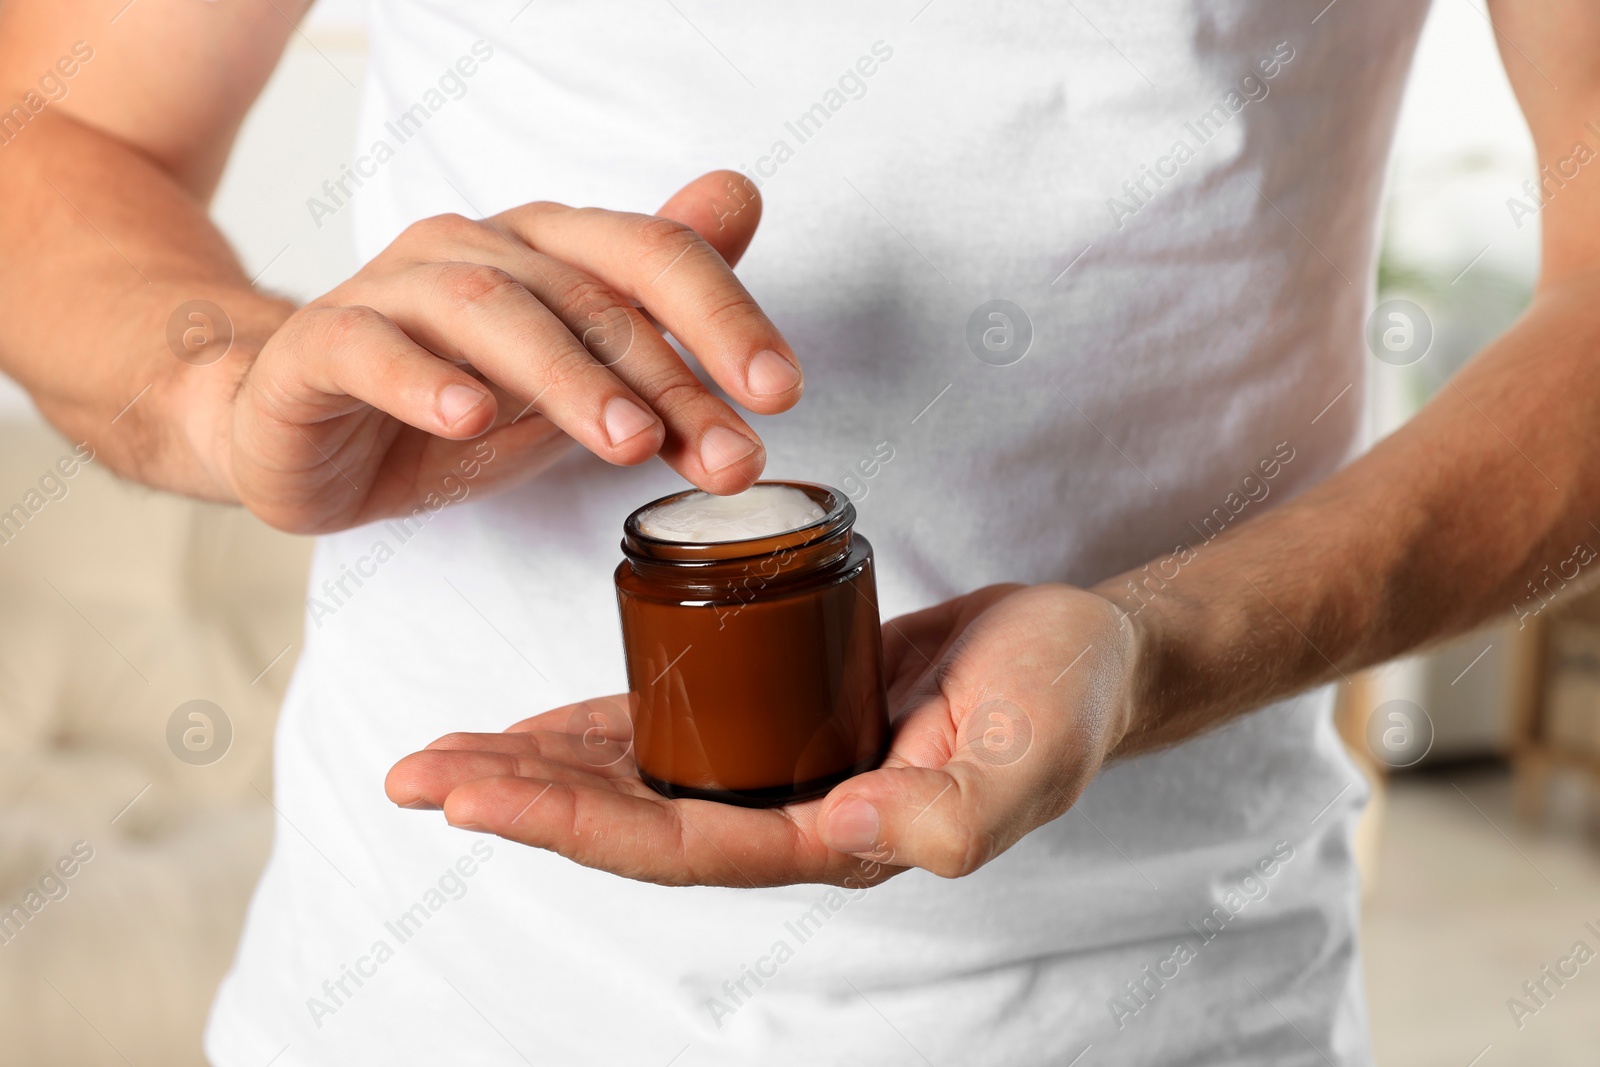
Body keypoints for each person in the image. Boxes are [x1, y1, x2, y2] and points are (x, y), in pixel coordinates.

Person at [2, 0, 1595, 1063]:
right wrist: (224, 391)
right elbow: (51, 127)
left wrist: (1165, 645)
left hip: (1155, 999)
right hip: (419, 996)